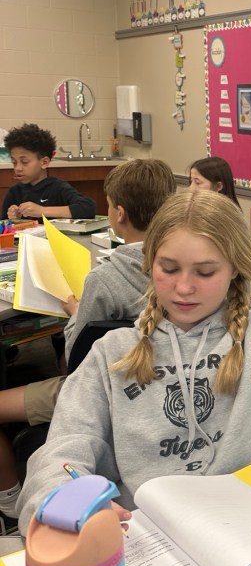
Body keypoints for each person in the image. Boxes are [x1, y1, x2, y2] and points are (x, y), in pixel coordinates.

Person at [16, 94, 251, 535]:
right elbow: (66, 446)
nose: (184, 288)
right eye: (168, 269)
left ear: (234, 269)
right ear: (149, 263)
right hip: (158, 540)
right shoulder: (112, 354)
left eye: (205, 272)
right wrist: (61, 501)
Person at [0, 158, 177, 534]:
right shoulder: (184, 266)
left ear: (118, 213)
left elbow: (76, 356)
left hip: (105, 385)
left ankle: (10, 501)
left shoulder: (106, 278)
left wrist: (75, 313)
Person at [2, 123, 96, 219]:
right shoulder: (14, 192)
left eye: (24, 161)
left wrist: (42, 211)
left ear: (44, 162)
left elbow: (87, 208)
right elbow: (4, 223)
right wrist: (13, 219)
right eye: (14, 162)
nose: (18, 168)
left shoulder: (58, 188)